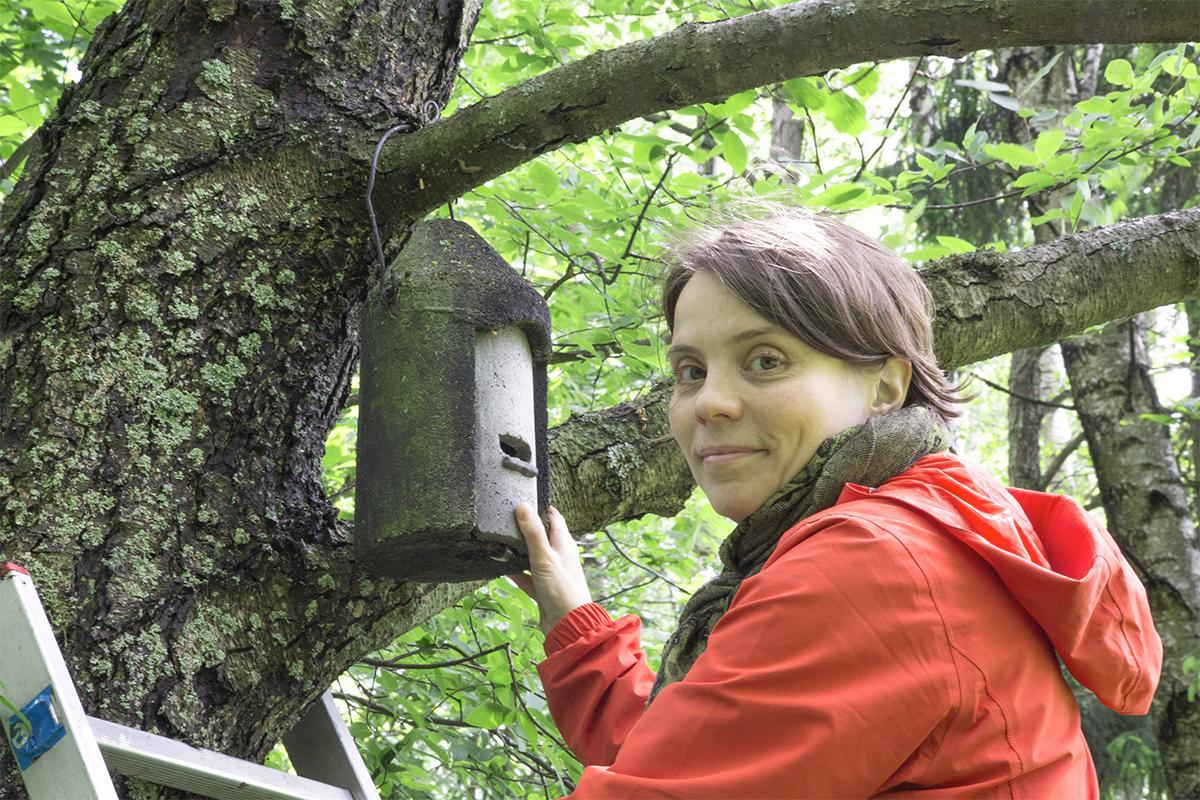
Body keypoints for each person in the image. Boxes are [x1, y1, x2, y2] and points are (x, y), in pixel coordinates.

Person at [508, 208, 1162, 799]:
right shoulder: (929, 530)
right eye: (690, 370)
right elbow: (697, 754)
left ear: (885, 384)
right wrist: (574, 622)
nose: (709, 401)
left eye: (765, 361)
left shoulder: (875, 563)